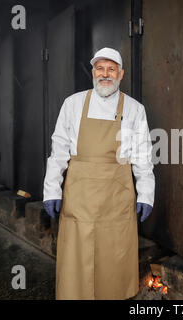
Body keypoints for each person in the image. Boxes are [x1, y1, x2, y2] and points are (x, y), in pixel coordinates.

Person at [42, 47, 155, 300]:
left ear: (121, 73)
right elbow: (58, 150)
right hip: (79, 199)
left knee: (113, 264)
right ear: (93, 72)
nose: (105, 74)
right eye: (100, 68)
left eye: (111, 69)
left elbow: (143, 156)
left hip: (116, 200)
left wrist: (146, 194)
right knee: (76, 264)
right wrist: (51, 189)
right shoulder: (72, 104)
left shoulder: (135, 109)